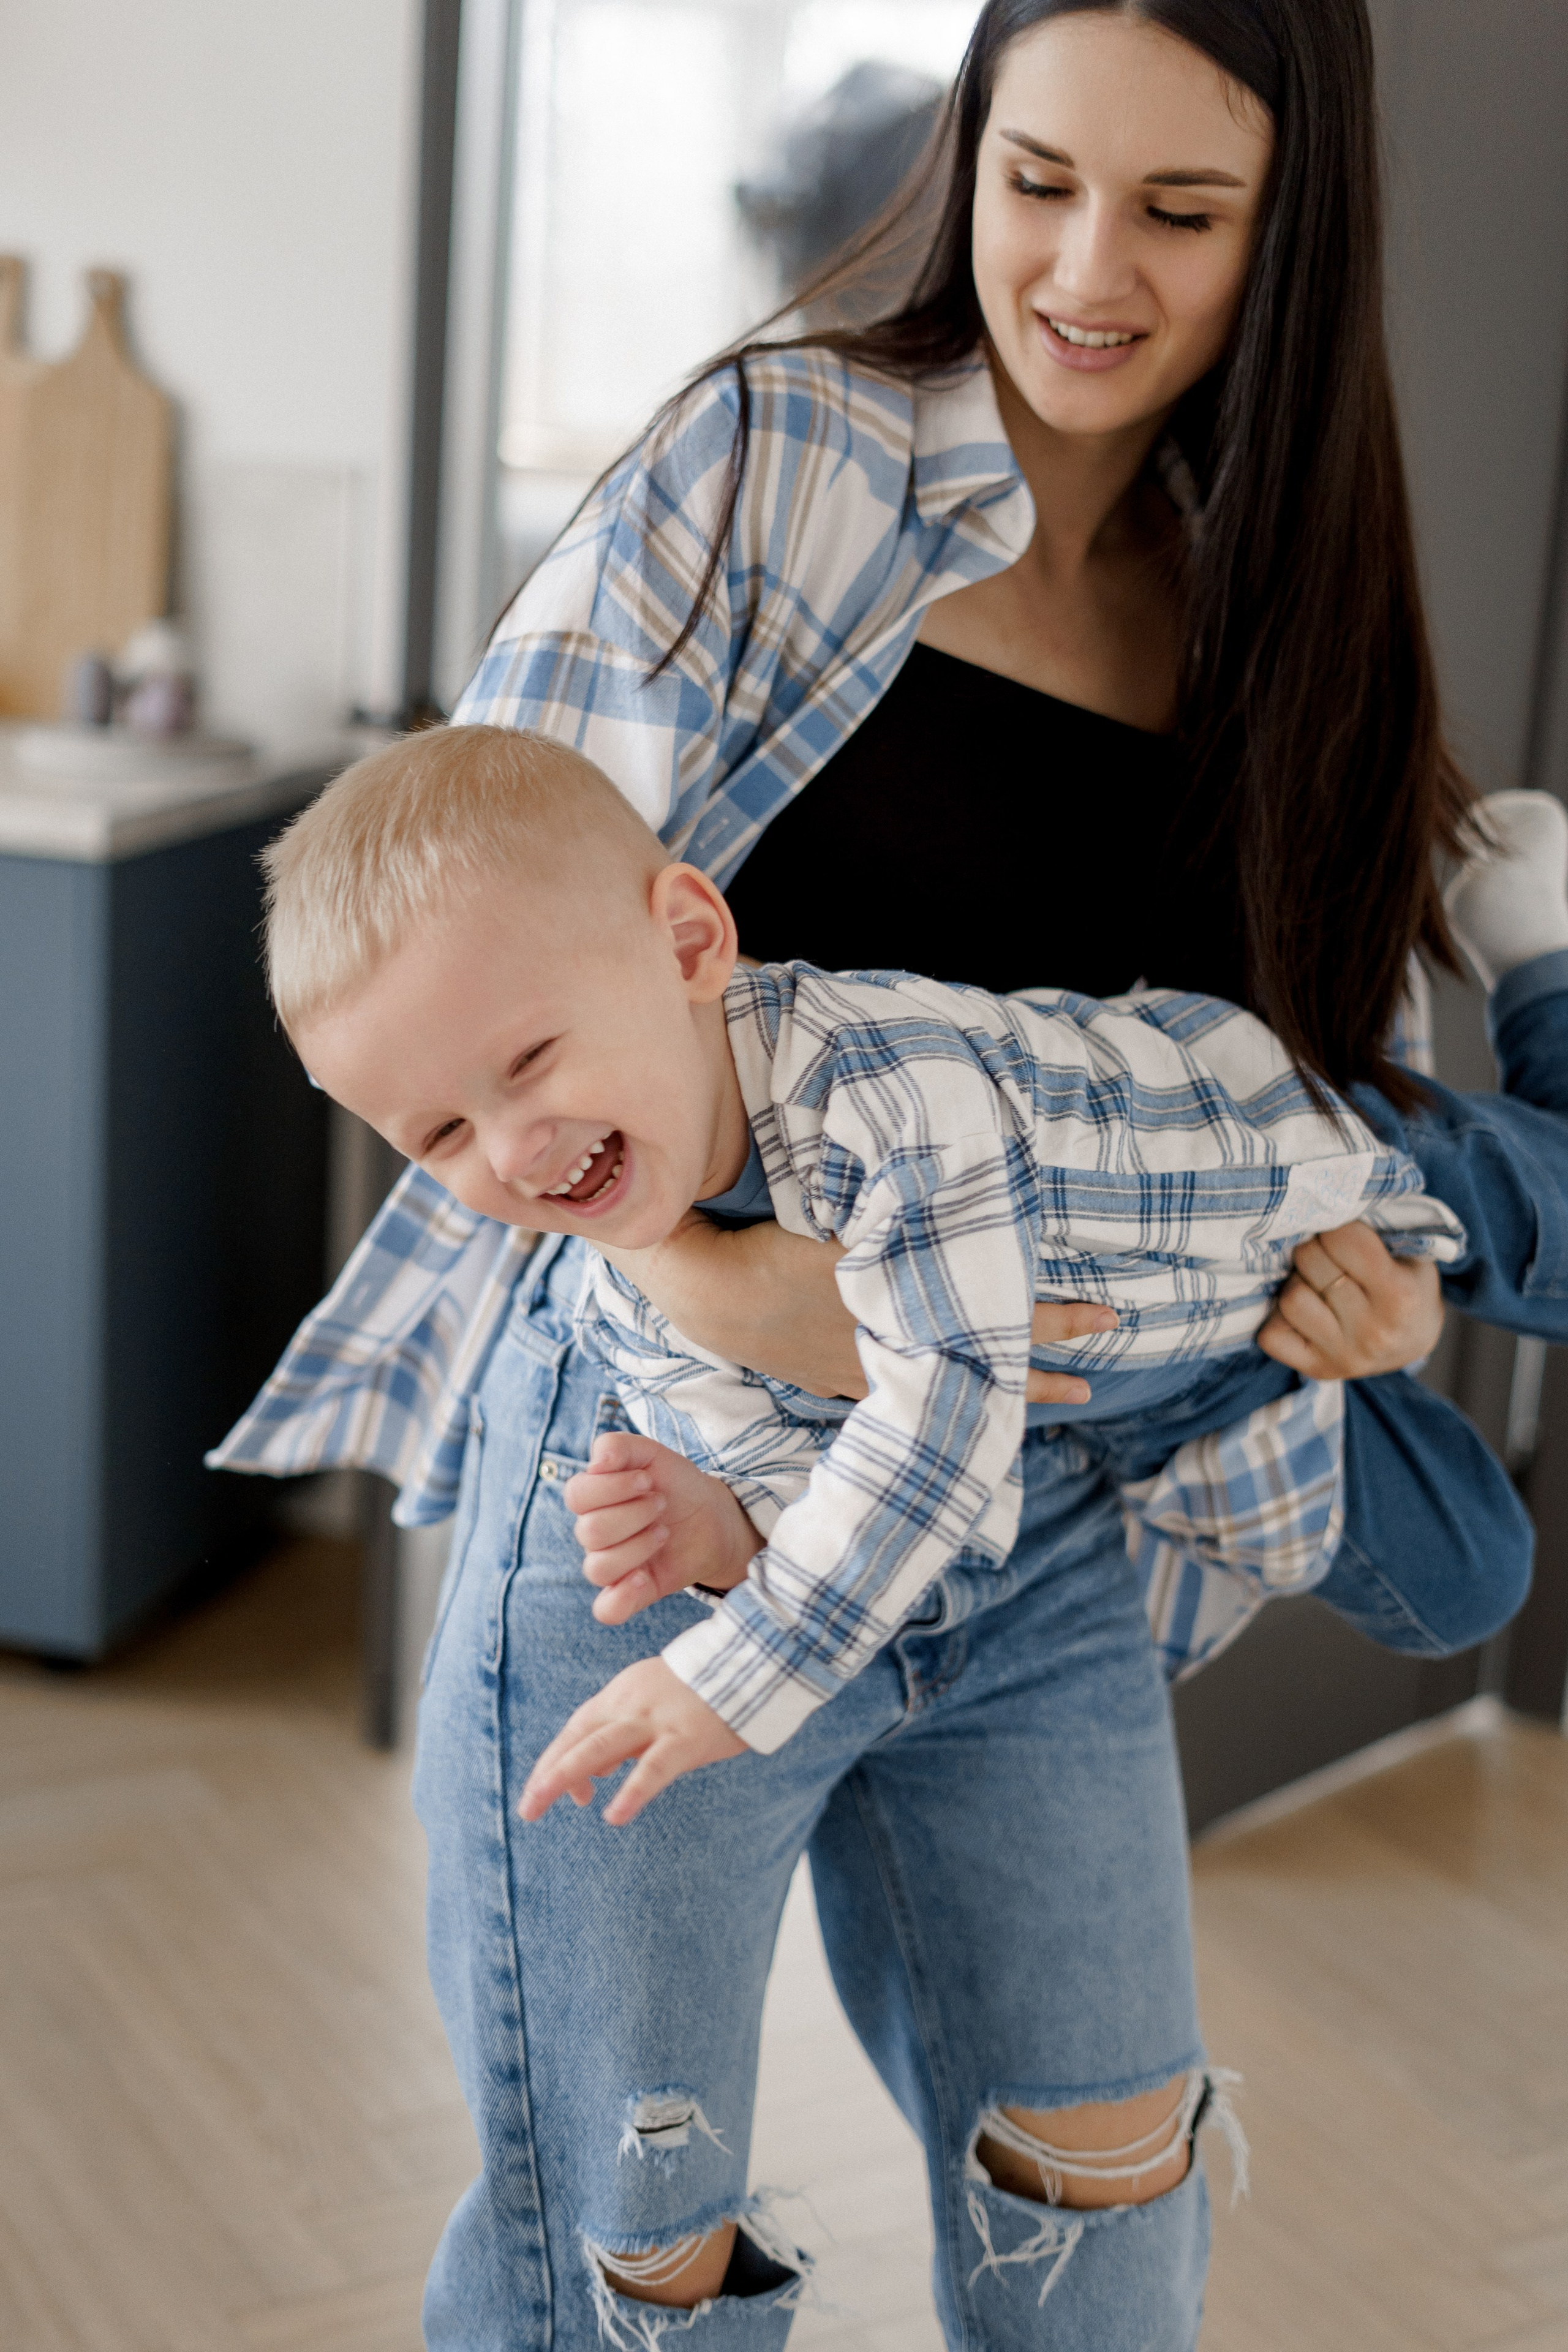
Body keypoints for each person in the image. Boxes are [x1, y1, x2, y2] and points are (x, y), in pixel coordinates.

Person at [213, 4, 1537, 2342]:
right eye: (1037, 182)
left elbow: (1285, 1094)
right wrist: (737, 1296)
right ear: (966, 154)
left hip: (1038, 1524)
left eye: (1182, 211)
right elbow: (467, 950)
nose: (1088, 271)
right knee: (626, 2265)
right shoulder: (775, 456)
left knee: (1106, 2226)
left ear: (1294, 229)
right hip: (661, 1494)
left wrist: (1388, 1298)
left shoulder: (1272, 596)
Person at [259, 725, 1559, 1818]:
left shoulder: (883, 1086)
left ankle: (1540, 970)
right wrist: (725, 1534)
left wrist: (734, 1673)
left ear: (688, 943)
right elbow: (819, 1483)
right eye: (440, 1135)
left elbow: (942, 1418)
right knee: (1467, 1578)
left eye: (531, 1061)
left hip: (1271, 1159)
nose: (512, 1152)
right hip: (1191, 1386)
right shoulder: (629, 1287)